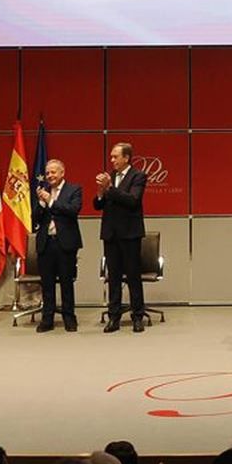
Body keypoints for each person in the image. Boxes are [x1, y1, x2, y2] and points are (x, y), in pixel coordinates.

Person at [94, 142, 147, 333]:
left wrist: (110, 189)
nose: (112, 160)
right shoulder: (111, 176)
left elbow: (133, 200)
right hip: (110, 233)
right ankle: (113, 316)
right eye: (111, 157)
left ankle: (137, 316)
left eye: (116, 157)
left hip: (130, 234)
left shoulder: (138, 176)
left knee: (133, 276)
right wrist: (100, 193)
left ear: (126, 158)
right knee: (113, 277)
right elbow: (98, 205)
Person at [34, 158, 82, 332]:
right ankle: (47, 319)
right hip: (46, 243)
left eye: (53, 172)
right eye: (47, 173)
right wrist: (41, 203)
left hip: (66, 243)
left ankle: (69, 318)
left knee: (66, 282)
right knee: (47, 284)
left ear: (62, 173)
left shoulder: (74, 189)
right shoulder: (43, 191)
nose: (50, 176)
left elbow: (73, 211)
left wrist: (51, 202)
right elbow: (36, 219)